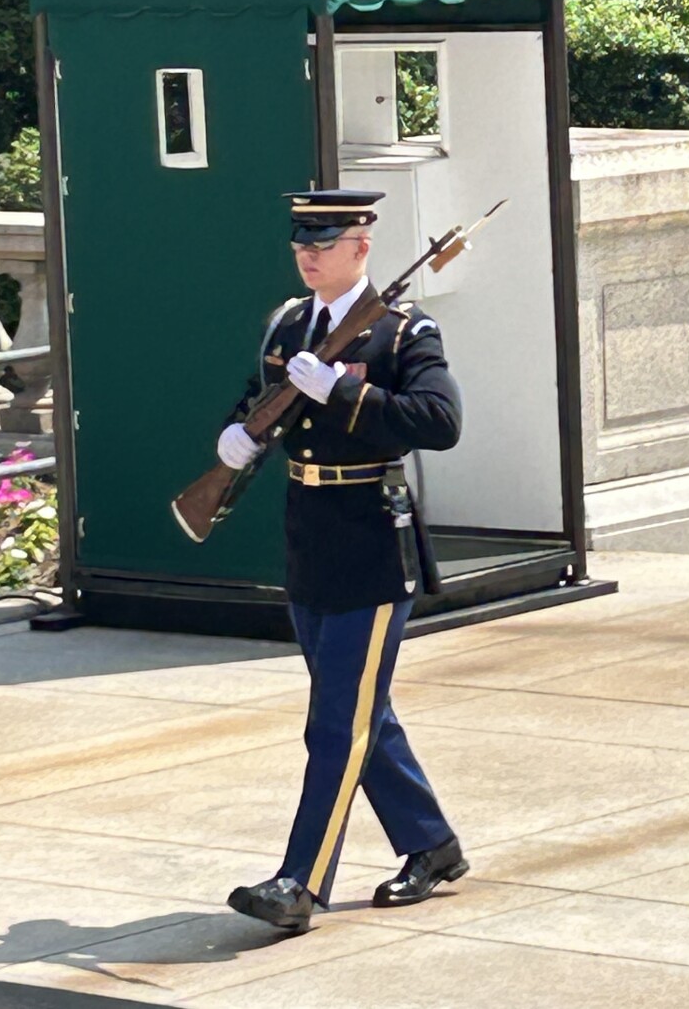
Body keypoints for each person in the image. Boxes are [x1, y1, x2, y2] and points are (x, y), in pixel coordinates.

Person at [220, 188, 468, 931]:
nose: (308, 254)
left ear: (362, 246)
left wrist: (344, 396)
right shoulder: (287, 324)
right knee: (361, 712)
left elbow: (441, 420)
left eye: (323, 243)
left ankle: (299, 882)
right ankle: (431, 844)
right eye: (301, 241)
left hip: (368, 543)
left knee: (335, 723)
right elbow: (255, 399)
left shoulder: (400, 333)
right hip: (309, 538)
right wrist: (237, 437)